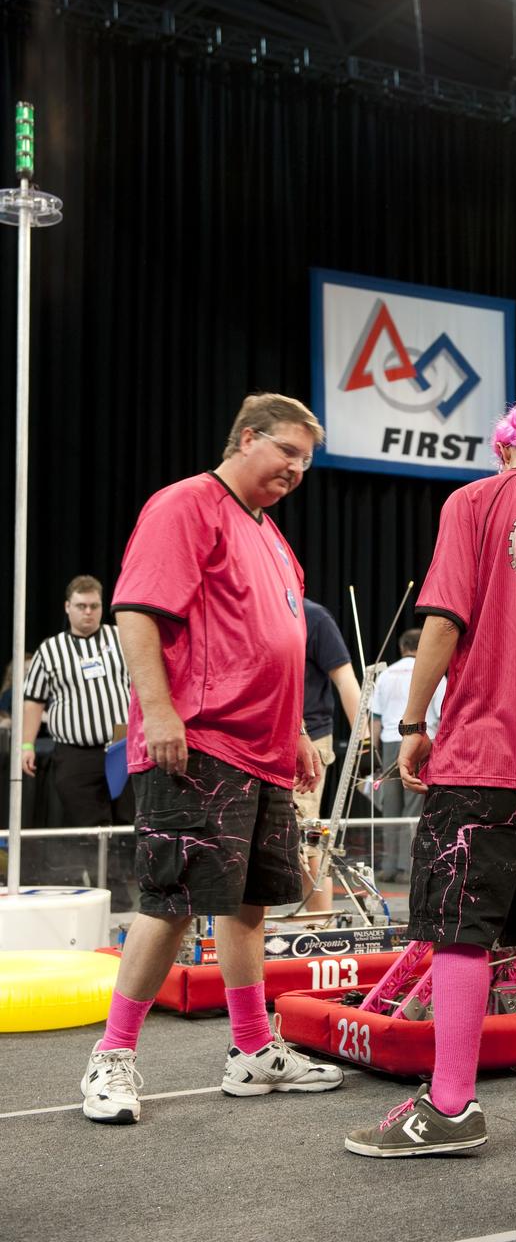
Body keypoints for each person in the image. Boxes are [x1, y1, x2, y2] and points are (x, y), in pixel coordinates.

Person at [345, 399, 516, 1157]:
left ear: (505, 448)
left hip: (481, 750)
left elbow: (443, 620)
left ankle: (450, 1108)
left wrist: (411, 725)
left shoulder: (475, 500)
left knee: (458, 930)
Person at [80, 393, 343, 1126]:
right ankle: (112, 1057)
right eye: (287, 451)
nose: (298, 468)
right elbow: (136, 611)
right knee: (171, 904)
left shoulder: (274, 541)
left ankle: (253, 1049)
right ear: (246, 437)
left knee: (250, 904)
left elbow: (279, 647)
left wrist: (291, 732)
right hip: (198, 740)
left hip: (261, 751)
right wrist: (160, 710)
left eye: (306, 461)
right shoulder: (186, 505)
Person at [21, 578, 133, 897]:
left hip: (122, 748)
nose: (88, 613)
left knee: (125, 821)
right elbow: (34, 700)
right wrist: (27, 744)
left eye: (94, 606)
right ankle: (105, 891)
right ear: (67, 608)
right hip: (75, 753)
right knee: (90, 826)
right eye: (81, 606)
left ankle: (125, 889)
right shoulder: (51, 649)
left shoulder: (120, 638)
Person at [296, 599, 362, 912]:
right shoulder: (257, 610)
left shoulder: (314, 617)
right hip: (264, 735)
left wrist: (363, 744)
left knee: (304, 835)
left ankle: (320, 924)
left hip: (309, 735)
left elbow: (345, 679)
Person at [371, 629, 446, 883]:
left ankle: (388, 866)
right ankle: (408, 868)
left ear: (403, 646)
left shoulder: (385, 675)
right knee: (414, 809)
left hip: (391, 742)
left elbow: (376, 720)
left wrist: (374, 755)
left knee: (389, 810)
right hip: (422, 742)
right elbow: (443, 713)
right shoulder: (434, 671)